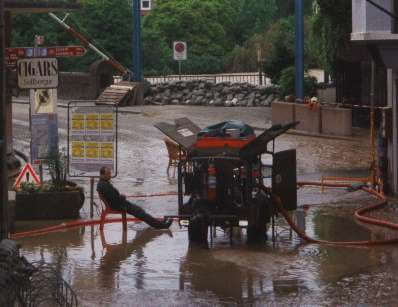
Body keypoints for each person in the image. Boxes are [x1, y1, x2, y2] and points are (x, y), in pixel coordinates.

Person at [97, 166, 172, 229]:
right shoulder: (104, 185)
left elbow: (113, 197)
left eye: (110, 173)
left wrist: (121, 198)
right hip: (119, 206)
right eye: (108, 174)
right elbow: (114, 199)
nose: (110, 175)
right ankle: (161, 226)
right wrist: (122, 197)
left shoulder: (102, 184)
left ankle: (160, 223)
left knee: (141, 211)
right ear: (103, 175)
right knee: (141, 213)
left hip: (120, 204)